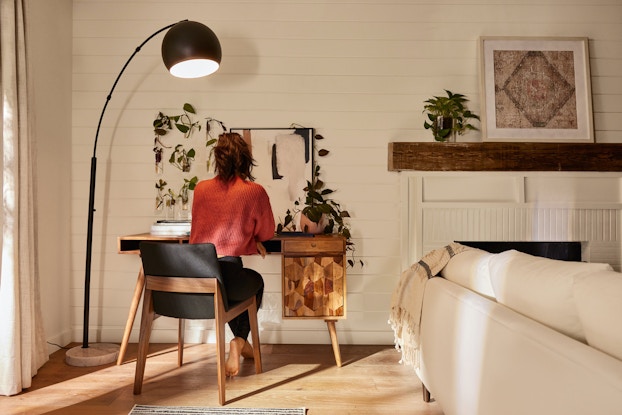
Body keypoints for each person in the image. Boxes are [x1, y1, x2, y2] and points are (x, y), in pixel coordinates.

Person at [190, 132, 275, 377]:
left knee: (225, 295)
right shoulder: (253, 191)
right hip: (227, 271)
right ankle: (238, 342)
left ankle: (241, 344)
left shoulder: (201, 189)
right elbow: (267, 231)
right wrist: (255, 239)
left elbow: (198, 227)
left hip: (198, 276)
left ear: (218, 158)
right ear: (246, 159)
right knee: (254, 283)